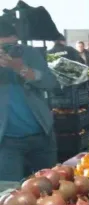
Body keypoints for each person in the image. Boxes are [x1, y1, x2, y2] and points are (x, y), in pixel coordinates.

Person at [0, 21, 59, 181]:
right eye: (3, 47)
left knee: (50, 186)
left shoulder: (29, 53)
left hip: (41, 134)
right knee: (10, 193)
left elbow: (50, 82)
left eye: (12, 45)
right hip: (6, 140)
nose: (9, 50)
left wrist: (21, 68)